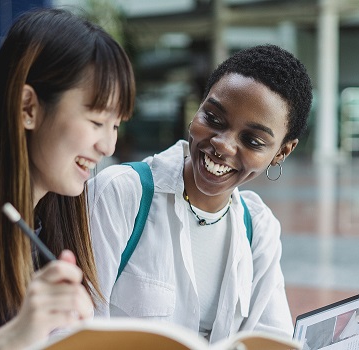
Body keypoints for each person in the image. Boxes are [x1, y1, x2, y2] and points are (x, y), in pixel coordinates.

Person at [0, 8, 135, 349]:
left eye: (116, 125)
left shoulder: (63, 227)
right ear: (28, 108)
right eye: (97, 120)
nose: (108, 144)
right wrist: (20, 333)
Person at [88, 44, 312, 343]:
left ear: (282, 152)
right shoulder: (120, 194)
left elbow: (270, 339)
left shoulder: (258, 229)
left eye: (252, 140)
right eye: (214, 119)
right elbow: (77, 332)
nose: (224, 145)